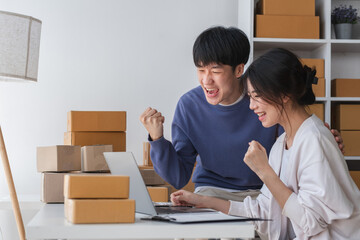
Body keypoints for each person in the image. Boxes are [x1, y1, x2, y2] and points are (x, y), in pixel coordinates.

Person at [170, 48, 360, 239]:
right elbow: (264, 214)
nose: (252, 106)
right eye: (250, 97)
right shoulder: (281, 144)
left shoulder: (314, 139)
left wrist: (264, 171)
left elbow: (311, 224)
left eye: (256, 96)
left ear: (284, 95)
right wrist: (202, 201)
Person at [140, 26, 344, 201]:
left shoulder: (265, 99)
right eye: (201, 70)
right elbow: (178, 178)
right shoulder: (189, 105)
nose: (206, 80)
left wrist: (320, 146)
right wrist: (157, 139)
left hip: (264, 190)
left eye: (216, 71)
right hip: (211, 191)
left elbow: (295, 138)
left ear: (238, 70)